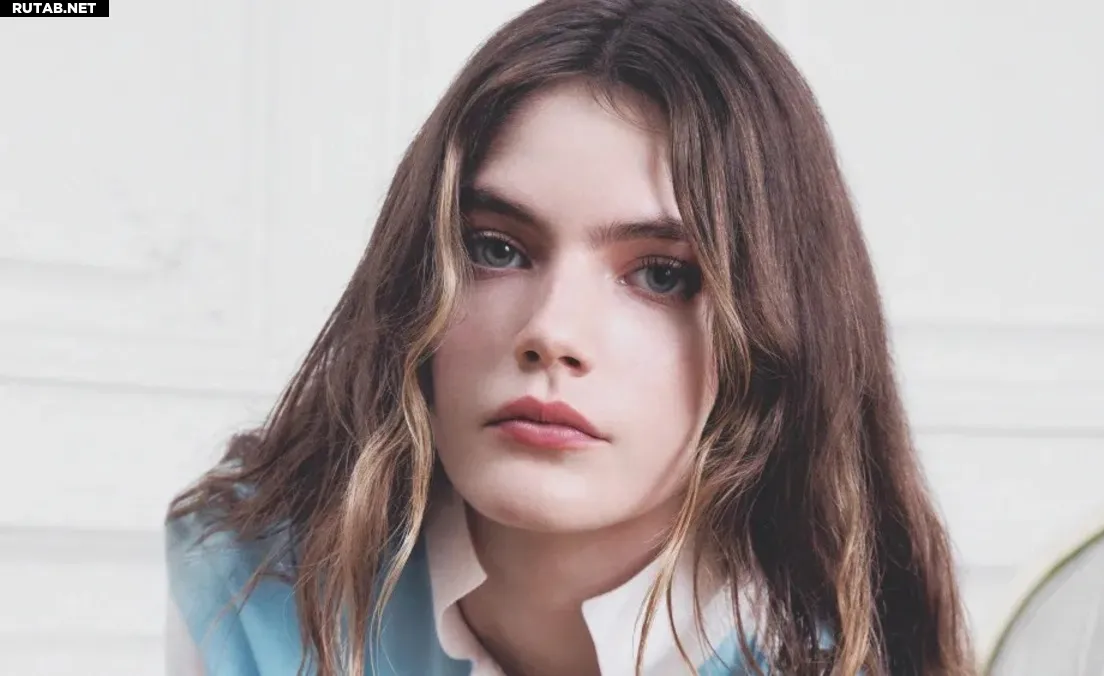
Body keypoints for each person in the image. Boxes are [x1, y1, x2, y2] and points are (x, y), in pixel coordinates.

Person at [165, 0, 975, 674]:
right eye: (496, 250)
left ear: (776, 331)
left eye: (661, 275)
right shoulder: (257, 585)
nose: (550, 333)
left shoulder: (840, 656)